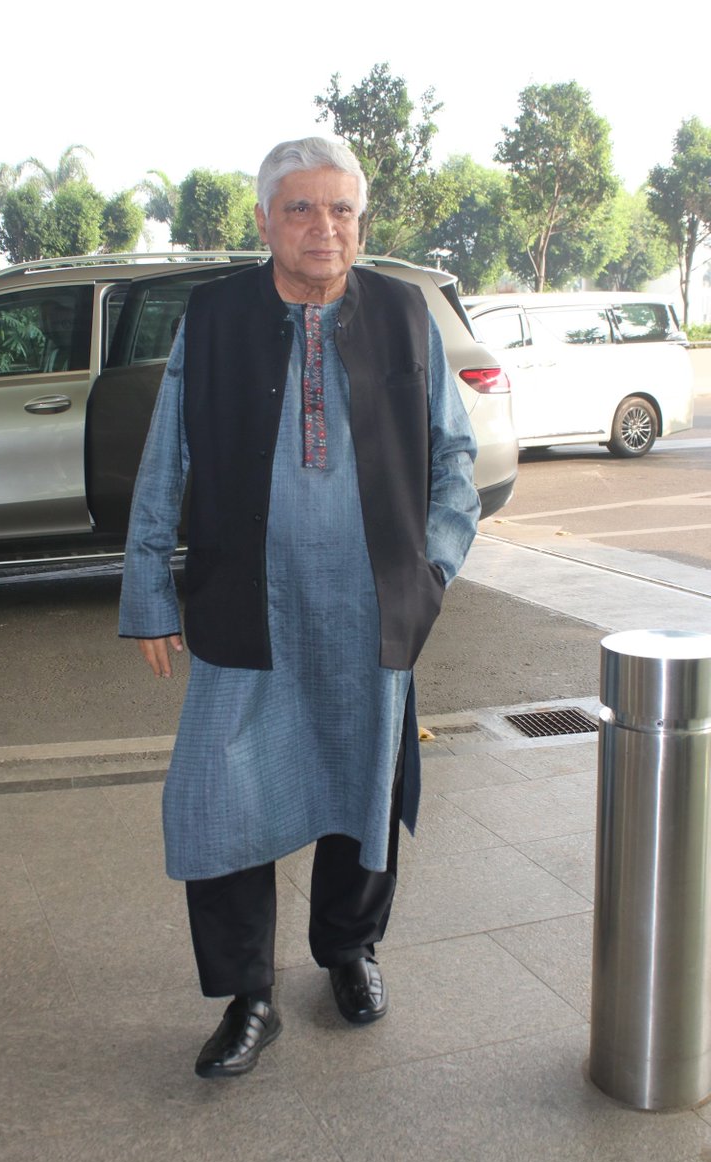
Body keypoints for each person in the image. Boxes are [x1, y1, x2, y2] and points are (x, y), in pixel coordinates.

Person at [119, 136, 480, 1079]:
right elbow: (167, 460)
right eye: (302, 209)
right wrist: (150, 589)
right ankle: (248, 995)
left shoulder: (405, 314)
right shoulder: (218, 316)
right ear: (264, 220)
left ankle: (349, 951)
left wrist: (429, 574)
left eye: (343, 211)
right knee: (220, 794)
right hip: (249, 604)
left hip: (371, 613)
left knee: (361, 783)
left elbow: (454, 466)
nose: (325, 229)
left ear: (361, 221)